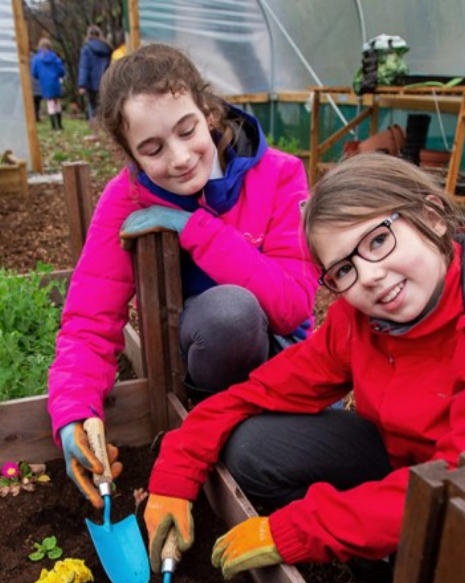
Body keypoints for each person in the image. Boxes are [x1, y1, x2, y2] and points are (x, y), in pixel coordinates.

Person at [141, 152, 465, 579]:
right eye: (344, 269)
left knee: (445, 577)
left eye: (378, 240)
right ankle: (376, 547)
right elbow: (261, 391)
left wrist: (297, 531)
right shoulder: (362, 315)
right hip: (402, 461)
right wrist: (175, 473)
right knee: (252, 449)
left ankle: (387, 555)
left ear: (431, 216)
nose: (369, 276)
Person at [48, 43, 316, 509]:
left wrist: (196, 229)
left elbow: (293, 305)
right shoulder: (125, 199)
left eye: (187, 130)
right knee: (227, 316)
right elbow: (90, 318)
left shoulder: (280, 175)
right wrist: (73, 412)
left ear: (207, 111)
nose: (178, 158)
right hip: (198, 363)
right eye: (152, 149)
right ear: (130, 154)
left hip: (281, 354)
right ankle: (214, 419)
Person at [77, 25, 112, 122]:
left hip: (91, 83)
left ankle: (95, 130)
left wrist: (82, 84)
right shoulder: (107, 48)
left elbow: (84, 67)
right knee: (105, 105)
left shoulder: (86, 49)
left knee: (93, 106)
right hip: (105, 80)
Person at [31, 38, 65, 130]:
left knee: (50, 103)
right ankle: (59, 124)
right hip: (55, 81)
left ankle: (53, 125)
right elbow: (61, 70)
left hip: (44, 82)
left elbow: (34, 72)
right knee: (57, 101)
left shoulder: (37, 59)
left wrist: (40, 76)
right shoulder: (54, 57)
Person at [29, 51, 43, 121]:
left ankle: (34, 116)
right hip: (38, 84)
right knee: (37, 102)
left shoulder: (27, 59)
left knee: (33, 102)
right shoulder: (37, 58)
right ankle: (36, 116)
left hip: (31, 84)